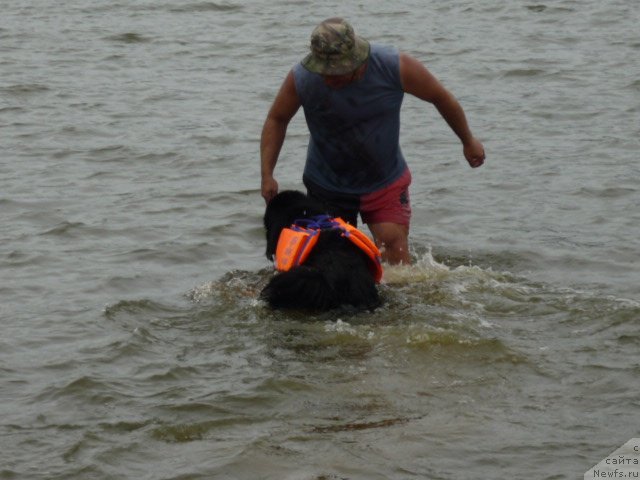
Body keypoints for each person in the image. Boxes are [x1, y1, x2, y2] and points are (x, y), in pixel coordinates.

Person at [260, 17, 485, 265]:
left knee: (394, 253)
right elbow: (277, 119)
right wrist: (267, 173)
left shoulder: (392, 65)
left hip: (384, 180)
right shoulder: (302, 76)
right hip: (327, 184)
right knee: (332, 260)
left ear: (357, 62)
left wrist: (467, 140)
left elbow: (440, 97)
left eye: (336, 72)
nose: (328, 79)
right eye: (323, 71)